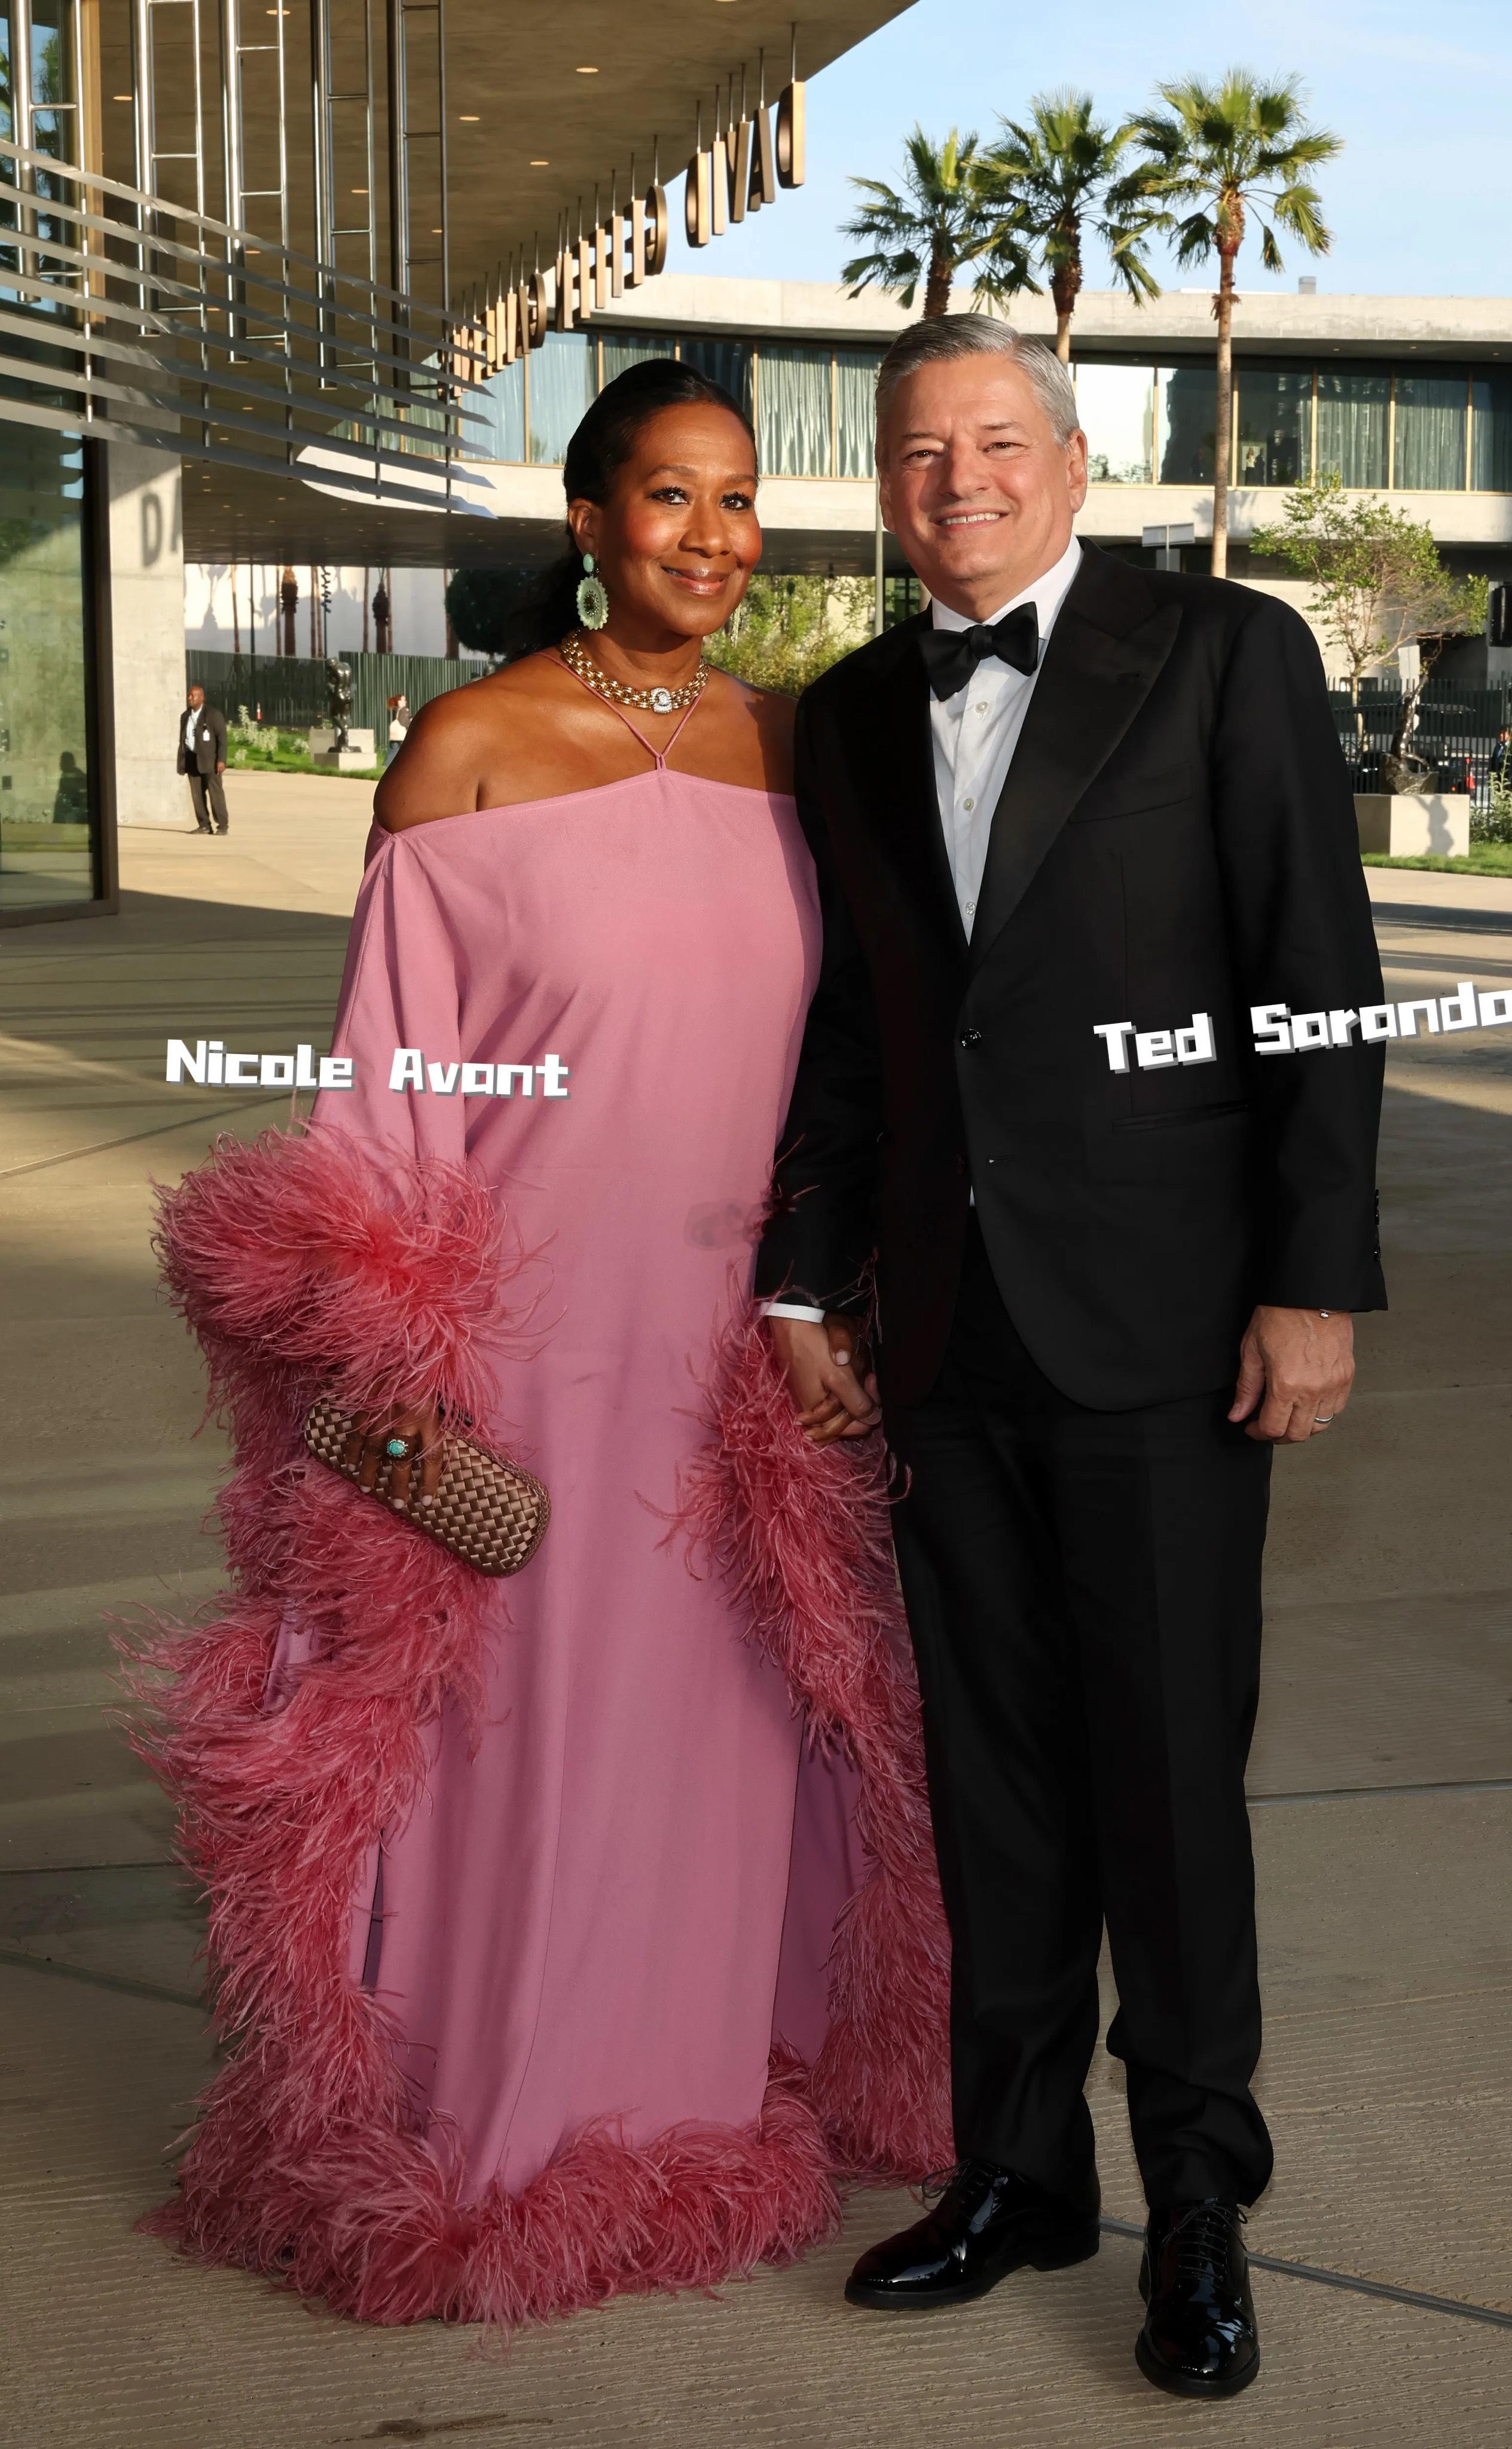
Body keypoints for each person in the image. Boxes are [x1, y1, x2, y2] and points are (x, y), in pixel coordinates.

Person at [134, 359, 948, 2325]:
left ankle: (707, 2095)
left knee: (735, 1733)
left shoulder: (803, 750)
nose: (714, 537)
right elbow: (389, 1090)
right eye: (671, 495)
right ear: (589, 518)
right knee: (525, 1732)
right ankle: (504, 2128)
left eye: (740, 500)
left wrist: (833, 1281)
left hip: (745, 1350)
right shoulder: (470, 748)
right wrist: (394, 1392)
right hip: (530, 1346)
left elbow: (856, 1060)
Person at [759, 317, 1387, 2399]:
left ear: (1072, 457)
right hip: (944, 1331)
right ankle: (1016, 2172)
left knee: (1168, 1788)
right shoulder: (852, 713)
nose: (956, 480)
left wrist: (1312, 1279)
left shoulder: (1223, 653)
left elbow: (1314, 978)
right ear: (882, 484)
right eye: (916, 451)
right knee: (996, 1783)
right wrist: (802, 1279)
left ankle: (1198, 2197)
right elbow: (860, 1022)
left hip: (1168, 1326)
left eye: (993, 440)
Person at [178, 683, 230, 833]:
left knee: (215, 794)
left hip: (210, 761)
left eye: (193, 696)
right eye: (189, 695)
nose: (190, 698)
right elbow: (183, 739)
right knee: (197, 795)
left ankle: (223, 825)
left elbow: (222, 739)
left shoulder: (213, 714)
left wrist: (221, 760)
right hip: (192, 759)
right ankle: (204, 825)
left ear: (202, 698)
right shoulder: (185, 716)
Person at [1489, 725, 1512, 792]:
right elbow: (1494, 761)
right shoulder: (1498, 747)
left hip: (1509, 783)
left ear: (1510, 735)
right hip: (1497, 782)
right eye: (1500, 733)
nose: (1501, 735)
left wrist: (1509, 778)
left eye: (1504, 733)